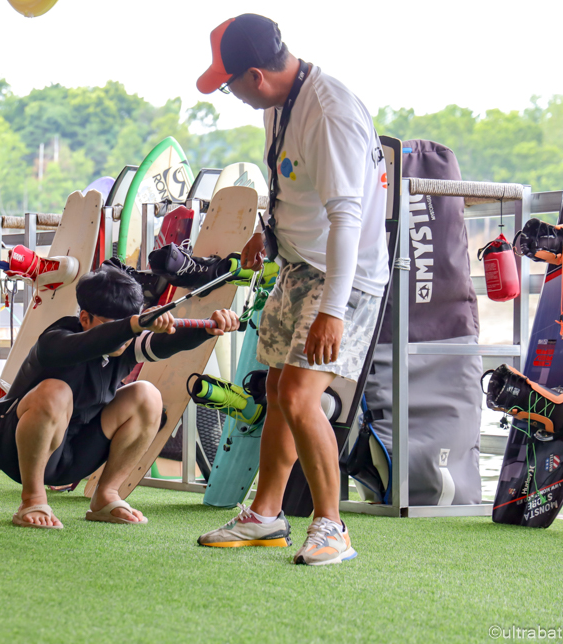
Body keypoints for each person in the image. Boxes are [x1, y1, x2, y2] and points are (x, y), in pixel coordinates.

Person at [195, 14, 388, 565]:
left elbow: (348, 219)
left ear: (255, 75)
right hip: (301, 265)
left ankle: (333, 527)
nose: (228, 93)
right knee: (277, 390)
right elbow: (293, 182)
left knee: (303, 398)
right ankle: (265, 516)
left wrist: (333, 311)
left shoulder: (328, 113)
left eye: (229, 84)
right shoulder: (280, 100)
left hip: (343, 277)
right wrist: (268, 234)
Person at [0, 264, 239, 529]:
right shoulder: (56, 340)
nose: (124, 340)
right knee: (56, 391)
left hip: (74, 456)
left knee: (147, 395)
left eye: (128, 325)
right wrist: (131, 325)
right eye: (115, 326)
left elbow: (166, 342)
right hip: (14, 451)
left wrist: (208, 328)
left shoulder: (128, 342)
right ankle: (32, 498)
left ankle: (106, 496)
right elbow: (91, 343)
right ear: (84, 318)